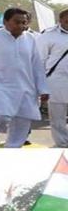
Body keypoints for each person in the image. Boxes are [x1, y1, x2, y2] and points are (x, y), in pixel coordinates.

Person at [0, 8, 48, 148]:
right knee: (0, 116)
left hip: (26, 88)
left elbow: (37, 66)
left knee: (22, 121)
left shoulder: (31, 39)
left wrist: (43, 89)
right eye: (17, 22)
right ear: (6, 21)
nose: (21, 26)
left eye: (24, 22)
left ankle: (13, 148)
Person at [36, 9, 68, 147]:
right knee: (58, 117)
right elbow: (39, 61)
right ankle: (62, 144)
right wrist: (40, 86)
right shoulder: (48, 36)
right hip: (56, 81)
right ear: (60, 20)